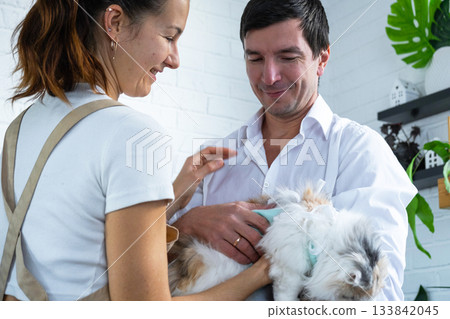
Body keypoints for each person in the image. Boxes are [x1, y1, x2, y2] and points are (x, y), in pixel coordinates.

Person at [0, 0, 271, 301]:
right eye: (169, 37)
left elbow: (76, 244)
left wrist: (175, 190)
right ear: (114, 22)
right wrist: (260, 273)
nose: (175, 59)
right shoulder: (135, 133)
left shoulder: (21, 128)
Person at [170, 0, 418, 301]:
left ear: (322, 58)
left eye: (288, 57)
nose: (269, 76)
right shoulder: (215, 161)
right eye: (255, 58)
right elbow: (158, 275)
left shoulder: (360, 151)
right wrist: (187, 223)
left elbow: (379, 296)